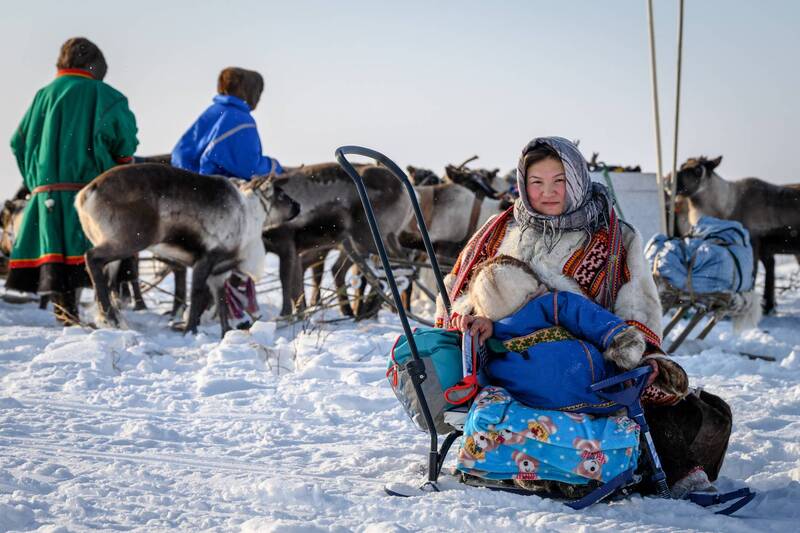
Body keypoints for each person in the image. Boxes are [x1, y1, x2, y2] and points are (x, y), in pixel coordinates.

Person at [438, 136, 732, 498]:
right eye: (536, 182)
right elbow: (461, 294)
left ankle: (669, 475)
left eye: (559, 181)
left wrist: (636, 352)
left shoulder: (617, 237)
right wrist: (472, 319)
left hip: (590, 369)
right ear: (522, 183)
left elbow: (637, 308)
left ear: (577, 180)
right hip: (510, 369)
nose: (547, 192)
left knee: (695, 410)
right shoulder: (499, 230)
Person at [8, 37, 138, 324]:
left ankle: (66, 314)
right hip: (93, 193)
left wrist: (35, 179)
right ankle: (101, 313)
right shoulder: (106, 96)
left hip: (46, 194)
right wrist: (119, 170)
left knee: (59, 258)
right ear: (95, 66)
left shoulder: (42, 96)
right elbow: (124, 144)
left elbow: (18, 142)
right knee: (96, 255)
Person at [466, 254, 647, 413]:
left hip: (535, 405)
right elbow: (583, 314)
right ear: (530, 281)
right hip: (596, 385)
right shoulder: (547, 304)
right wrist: (619, 336)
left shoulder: (493, 332)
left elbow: (482, 369)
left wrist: (479, 325)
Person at [171, 67, 282, 179]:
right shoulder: (242, 120)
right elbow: (249, 167)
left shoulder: (213, 111)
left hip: (188, 179)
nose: (259, 98)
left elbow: (179, 153)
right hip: (211, 185)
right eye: (258, 91)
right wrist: (274, 166)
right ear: (249, 91)